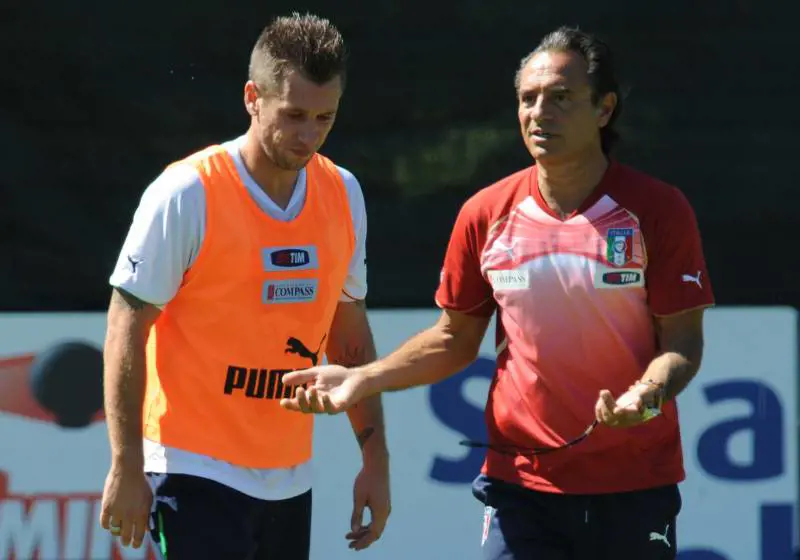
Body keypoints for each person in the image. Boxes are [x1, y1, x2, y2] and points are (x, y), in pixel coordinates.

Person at [279, 26, 714, 560]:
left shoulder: (658, 209)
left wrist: (646, 394)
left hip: (635, 486)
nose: (539, 113)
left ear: (604, 109)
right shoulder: (486, 213)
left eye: (561, 98)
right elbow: (453, 340)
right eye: (528, 99)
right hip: (519, 489)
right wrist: (362, 379)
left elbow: (683, 344)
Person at [99, 12, 391, 560]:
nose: (309, 135)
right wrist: (126, 464)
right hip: (191, 467)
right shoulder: (187, 192)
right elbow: (125, 327)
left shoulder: (343, 193)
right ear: (253, 98)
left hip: (289, 476)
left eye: (325, 118)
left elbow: (349, 333)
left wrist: (375, 461)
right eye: (294, 115)